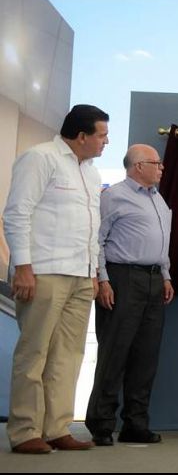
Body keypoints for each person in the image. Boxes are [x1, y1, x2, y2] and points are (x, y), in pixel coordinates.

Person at [2, 104, 109, 454]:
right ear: (81, 136)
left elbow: (92, 228)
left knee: (68, 355)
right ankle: (24, 431)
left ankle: (56, 427)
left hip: (80, 275)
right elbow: (17, 213)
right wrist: (23, 266)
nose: (105, 142)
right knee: (34, 353)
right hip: (44, 271)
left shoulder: (91, 174)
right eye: (102, 135)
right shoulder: (40, 158)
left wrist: (93, 272)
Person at [85, 144, 175, 447]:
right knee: (115, 353)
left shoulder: (159, 200)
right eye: (156, 163)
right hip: (122, 278)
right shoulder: (113, 196)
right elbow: (96, 240)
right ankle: (101, 423)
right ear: (139, 166)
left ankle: (135, 424)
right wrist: (104, 280)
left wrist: (166, 275)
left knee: (145, 357)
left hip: (153, 280)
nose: (161, 167)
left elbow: (161, 244)